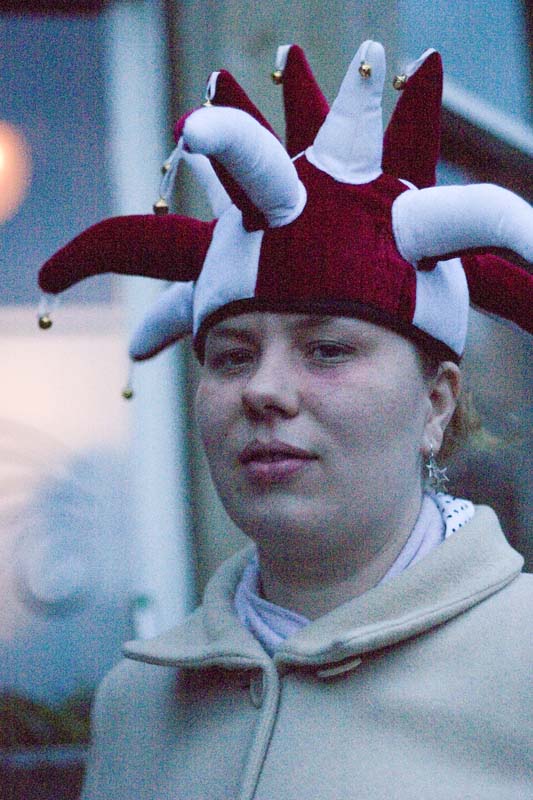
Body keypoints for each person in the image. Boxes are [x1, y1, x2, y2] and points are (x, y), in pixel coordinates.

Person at [37, 40, 532, 800]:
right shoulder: (137, 706)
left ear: (435, 404)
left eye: (327, 350)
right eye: (232, 356)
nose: (263, 391)